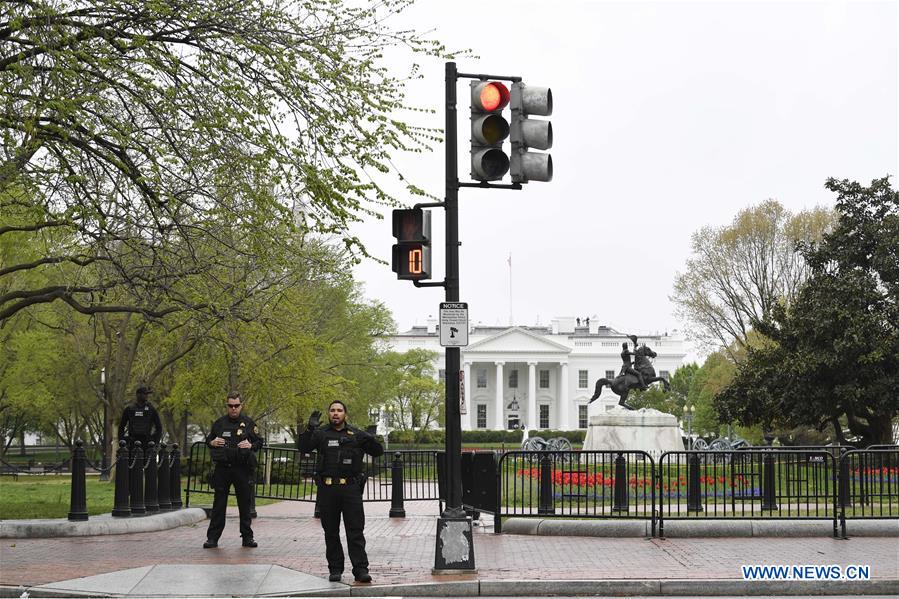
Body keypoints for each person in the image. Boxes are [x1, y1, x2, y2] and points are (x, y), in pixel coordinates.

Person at [298, 400, 383, 583]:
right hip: (328, 488)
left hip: (350, 488)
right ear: (329, 414)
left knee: (355, 530)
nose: (335, 413)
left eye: (339, 410)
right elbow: (303, 448)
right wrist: (309, 429)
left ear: (345, 413)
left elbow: (378, 452)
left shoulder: (355, 434)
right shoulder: (321, 434)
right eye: (332, 410)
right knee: (331, 531)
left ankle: (360, 569)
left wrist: (370, 438)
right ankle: (335, 569)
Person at [203, 391, 262, 549]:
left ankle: (247, 537)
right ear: (227, 406)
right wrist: (213, 442)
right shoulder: (219, 423)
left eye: (236, 406)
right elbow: (209, 440)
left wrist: (251, 445)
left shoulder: (249, 424)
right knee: (219, 504)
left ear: (241, 405)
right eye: (231, 406)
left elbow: (259, 442)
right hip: (223, 469)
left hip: (242, 469)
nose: (234, 409)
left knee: (245, 504)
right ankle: (213, 538)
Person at [118, 386, 163, 450]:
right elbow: (121, 426)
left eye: (147, 394)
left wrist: (155, 440)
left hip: (147, 443)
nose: (147, 396)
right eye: (145, 394)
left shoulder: (151, 409)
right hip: (132, 442)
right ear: (138, 395)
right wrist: (122, 441)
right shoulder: (129, 409)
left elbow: (159, 427)